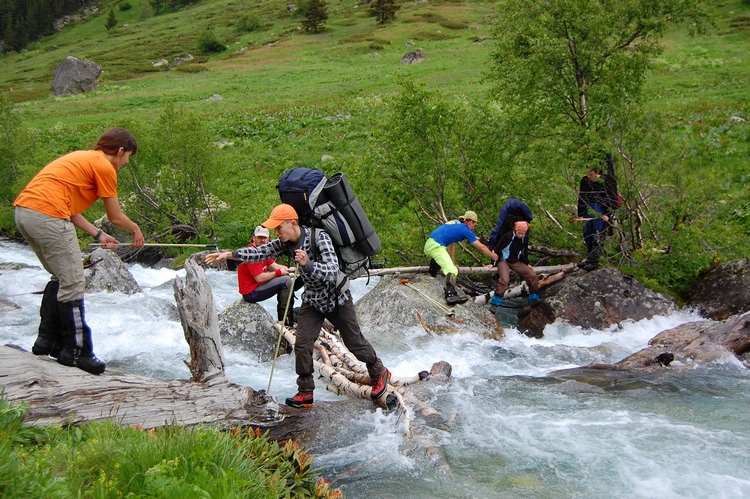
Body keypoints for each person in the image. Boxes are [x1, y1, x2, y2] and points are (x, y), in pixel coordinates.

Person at [204, 204, 390, 409]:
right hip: (313, 301)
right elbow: (260, 253)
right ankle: (305, 392)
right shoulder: (285, 243)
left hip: (337, 299)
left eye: (278, 228)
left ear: (293, 223)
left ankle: (378, 370)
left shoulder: (319, 237)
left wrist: (308, 264)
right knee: (302, 344)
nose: (276, 233)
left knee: (354, 342)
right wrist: (229, 255)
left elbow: (332, 270)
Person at [13, 128, 145, 375]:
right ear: (120, 151)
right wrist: (135, 230)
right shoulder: (105, 167)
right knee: (73, 282)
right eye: (128, 156)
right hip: (48, 216)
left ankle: (47, 341)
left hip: (24, 213)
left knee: (61, 277)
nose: (126, 162)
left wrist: (99, 234)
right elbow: (115, 217)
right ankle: (76, 353)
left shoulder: (83, 159)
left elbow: (71, 209)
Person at [424, 211, 498, 305]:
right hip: (435, 246)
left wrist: (452, 262)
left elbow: (452, 244)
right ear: (470, 222)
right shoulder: (465, 229)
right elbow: (482, 248)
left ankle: (433, 268)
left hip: (431, 244)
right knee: (452, 270)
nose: (475, 226)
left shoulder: (456, 224)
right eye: (475, 223)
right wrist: (493, 256)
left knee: (447, 261)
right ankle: (450, 295)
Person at [237, 225, 296, 326]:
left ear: (268, 239)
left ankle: (287, 316)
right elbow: (259, 278)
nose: (262, 240)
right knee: (286, 281)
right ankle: (284, 319)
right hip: (251, 293)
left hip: (256, 288)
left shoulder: (263, 252)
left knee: (286, 279)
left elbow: (275, 266)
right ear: (253, 238)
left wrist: (293, 269)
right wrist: (278, 273)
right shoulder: (252, 253)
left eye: (264, 238)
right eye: (259, 237)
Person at [577, 153, 617, 271]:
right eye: (587, 174)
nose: (588, 176)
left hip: (601, 209)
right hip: (587, 208)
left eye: (591, 174)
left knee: (598, 234)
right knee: (587, 233)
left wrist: (608, 214)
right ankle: (589, 258)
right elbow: (581, 197)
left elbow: (613, 199)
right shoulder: (584, 181)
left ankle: (594, 260)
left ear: (597, 173)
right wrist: (580, 213)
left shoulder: (607, 181)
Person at [489, 220, 540, 313]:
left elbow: (524, 252)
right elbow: (496, 249)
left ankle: (534, 299)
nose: (521, 235)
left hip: (516, 261)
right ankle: (495, 304)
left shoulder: (525, 238)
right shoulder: (507, 236)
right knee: (504, 280)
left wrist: (526, 263)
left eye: (523, 233)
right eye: (519, 233)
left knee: (532, 276)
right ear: (515, 230)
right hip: (503, 260)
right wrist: (493, 263)